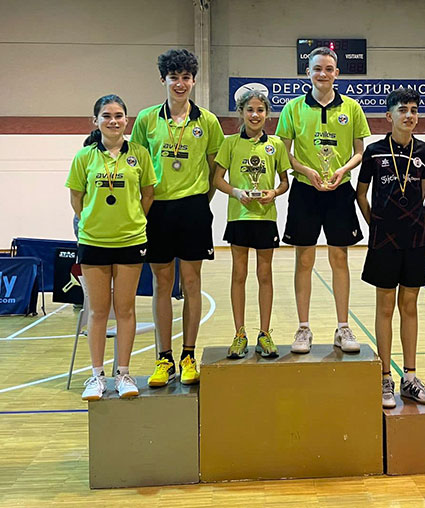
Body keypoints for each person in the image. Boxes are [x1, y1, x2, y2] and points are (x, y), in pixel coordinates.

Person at [130, 48, 225, 386]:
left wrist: (200, 200)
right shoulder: (145, 120)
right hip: (157, 209)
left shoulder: (208, 121)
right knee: (162, 283)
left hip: (194, 207)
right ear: (163, 80)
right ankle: (163, 358)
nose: (180, 83)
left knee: (193, 282)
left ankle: (188, 355)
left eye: (186, 77)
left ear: (194, 80)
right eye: (174, 78)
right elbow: (137, 165)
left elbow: (215, 168)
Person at [276, 46, 371, 354]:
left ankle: (343, 327)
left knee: (339, 258)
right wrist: (306, 170)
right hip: (305, 190)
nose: (323, 74)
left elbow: (359, 151)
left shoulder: (352, 108)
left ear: (336, 73)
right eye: (317, 68)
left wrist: (342, 170)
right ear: (308, 72)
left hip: (339, 189)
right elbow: (284, 152)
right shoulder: (292, 109)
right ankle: (303, 328)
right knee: (304, 259)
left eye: (328, 69)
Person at [66, 94, 156, 400]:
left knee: (126, 309)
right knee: (99, 311)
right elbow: (76, 197)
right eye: (106, 116)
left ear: (126, 121)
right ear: (96, 121)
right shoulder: (85, 157)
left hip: (131, 241)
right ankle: (96, 376)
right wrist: (90, 222)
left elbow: (148, 193)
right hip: (93, 241)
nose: (113, 120)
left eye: (118, 115)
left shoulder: (140, 154)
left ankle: (124, 374)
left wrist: (133, 220)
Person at [356, 88, 425, 408]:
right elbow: (361, 194)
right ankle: (385, 376)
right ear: (389, 116)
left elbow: (421, 193)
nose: (410, 115)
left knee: (411, 307)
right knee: (386, 307)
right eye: (403, 110)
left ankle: (410, 378)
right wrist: (373, 224)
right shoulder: (374, 152)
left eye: (414, 110)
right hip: (383, 240)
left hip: (415, 240)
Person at [213, 90, 290, 359]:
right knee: (239, 275)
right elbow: (218, 179)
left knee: (265, 275)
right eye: (250, 110)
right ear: (241, 113)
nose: (255, 115)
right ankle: (239, 334)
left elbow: (284, 182)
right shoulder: (230, 143)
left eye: (260, 110)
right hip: (239, 217)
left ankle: (265, 334)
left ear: (267, 114)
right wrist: (236, 192)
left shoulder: (276, 145)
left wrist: (274, 193)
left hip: (265, 218)